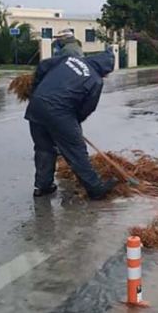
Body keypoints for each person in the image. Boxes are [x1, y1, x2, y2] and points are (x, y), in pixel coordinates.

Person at [25, 47, 118, 199]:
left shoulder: (68, 59)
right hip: (60, 112)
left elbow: (42, 66)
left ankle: (42, 186)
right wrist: (74, 125)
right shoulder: (95, 80)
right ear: (104, 70)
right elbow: (87, 108)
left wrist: (36, 90)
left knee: (44, 148)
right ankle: (95, 189)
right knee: (76, 151)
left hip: (37, 106)